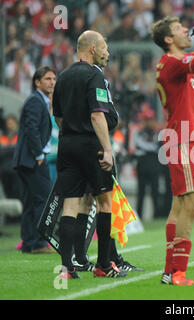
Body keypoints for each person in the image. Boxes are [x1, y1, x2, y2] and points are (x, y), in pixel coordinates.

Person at [151, 14, 194, 286]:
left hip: (179, 137)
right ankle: (178, 271)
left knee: (179, 204)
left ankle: (171, 271)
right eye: (179, 29)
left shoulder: (171, 63)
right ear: (169, 39)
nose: (184, 30)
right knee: (193, 203)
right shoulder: (173, 62)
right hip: (183, 139)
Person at [52, 30, 123, 279]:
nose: (107, 52)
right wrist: (107, 149)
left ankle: (67, 268)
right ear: (92, 48)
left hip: (67, 144)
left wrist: (70, 133)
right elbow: (97, 115)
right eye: (104, 47)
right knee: (105, 202)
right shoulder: (94, 75)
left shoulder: (62, 76)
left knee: (70, 204)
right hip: (91, 145)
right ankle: (103, 265)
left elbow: (57, 114)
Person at [12, 66, 56, 254]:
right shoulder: (36, 101)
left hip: (27, 160)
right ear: (37, 82)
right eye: (47, 79)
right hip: (33, 159)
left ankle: (29, 243)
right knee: (42, 199)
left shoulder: (38, 101)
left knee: (30, 201)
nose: (52, 82)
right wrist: (39, 155)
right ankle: (38, 243)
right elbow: (31, 129)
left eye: (53, 79)